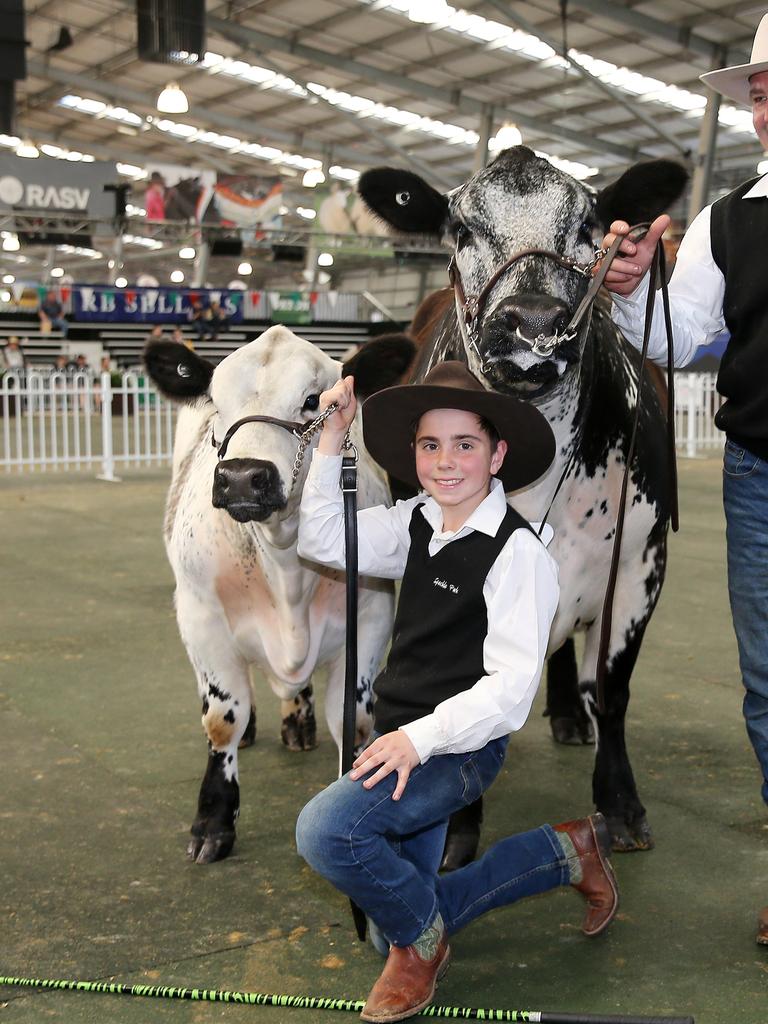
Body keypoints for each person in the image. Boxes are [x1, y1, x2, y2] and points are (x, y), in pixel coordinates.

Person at [295, 361, 620, 1022]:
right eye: (430, 445)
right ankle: (566, 852)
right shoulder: (417, 520)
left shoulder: (517, 554)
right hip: (403, 734)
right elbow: (324, 538)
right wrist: (331, 440)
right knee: (399, 921)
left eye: (465, 445)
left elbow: (508, 692)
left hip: (460, 746)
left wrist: (418, 740)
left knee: (326, 833)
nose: (446, 462)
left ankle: (421, 947)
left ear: (497, 453)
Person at [600, 11, 768, 949]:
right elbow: (681, 340)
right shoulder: (729, 219)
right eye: (757, 91)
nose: (763, 108)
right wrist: (632, 290)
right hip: (762, 479)